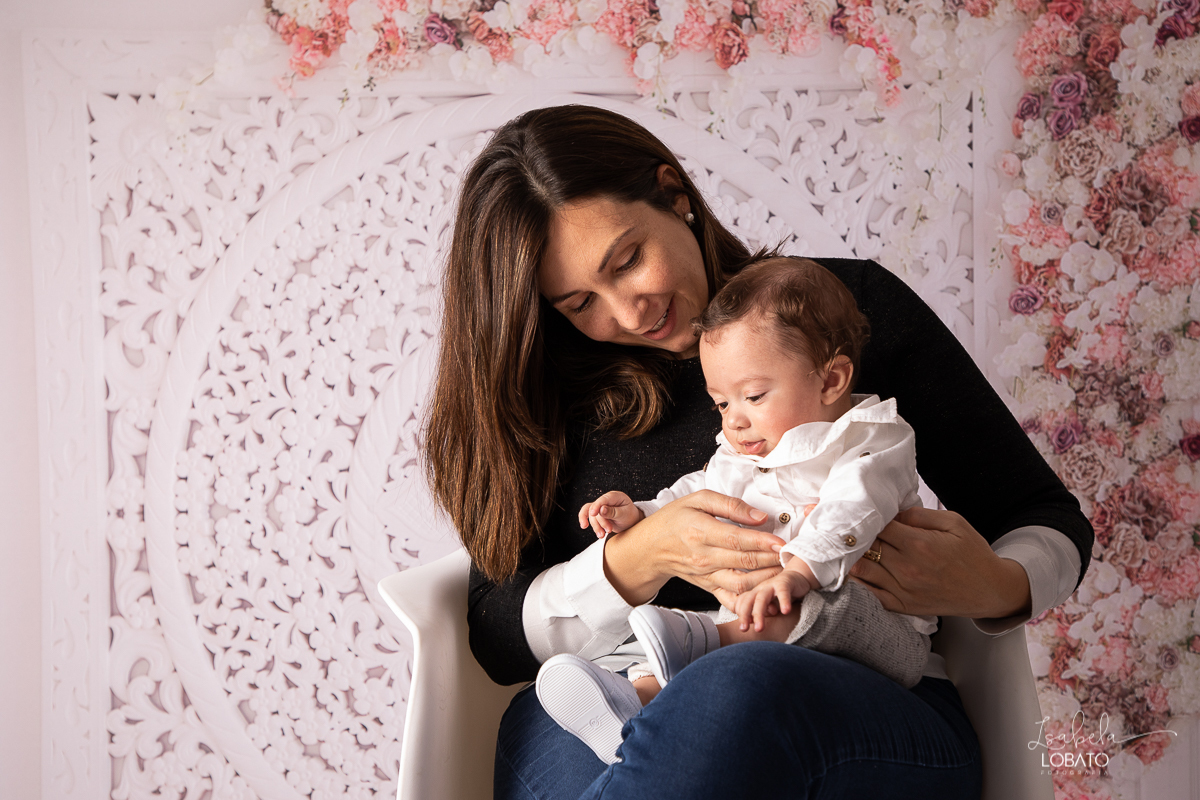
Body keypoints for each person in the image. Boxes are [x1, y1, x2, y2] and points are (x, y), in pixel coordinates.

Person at [423, 104, 1093, 799]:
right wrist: (640, 556)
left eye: (627, 261)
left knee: (733, 689)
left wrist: (996, 585)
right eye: (578, 303)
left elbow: (1042, 515)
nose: (627, 313)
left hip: (853, 689)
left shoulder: (839, 311)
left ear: (675, 196)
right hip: (602, 694)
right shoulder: (543, 395)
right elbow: (498, 635)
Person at [535, 255, 937, 764]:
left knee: (806, 607)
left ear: (831, 380)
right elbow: (701, 494)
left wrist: (800, 572)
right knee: (752, 628)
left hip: (882, 637)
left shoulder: (872, 440)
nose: (735, 422)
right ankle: (632, 706)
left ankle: (697, 644)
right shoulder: (744, 452)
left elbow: (851, 508)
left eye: (753, 396)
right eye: (722, 404)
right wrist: (640, 514)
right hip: (768, 641)